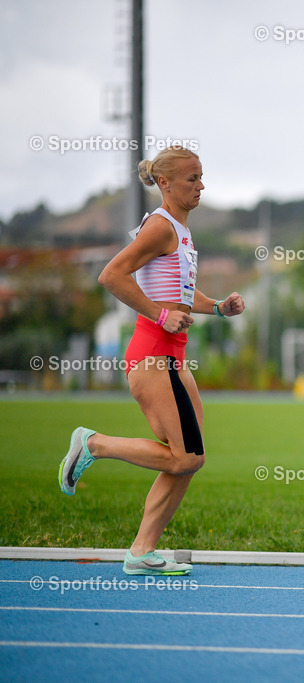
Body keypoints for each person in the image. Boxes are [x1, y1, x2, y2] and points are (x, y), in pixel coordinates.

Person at [58, 145, 244, 576]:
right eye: (191, 179)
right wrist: (160, 315)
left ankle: (142, 551)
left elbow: (179, 295)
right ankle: (93, 444)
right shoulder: (160, 227)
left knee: (188, 459)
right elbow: (111, 276)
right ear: (164, 183)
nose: (201, 186)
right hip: (153, 357)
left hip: (173, 358)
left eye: (201, 176)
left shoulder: (179, 230)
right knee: (186, 458)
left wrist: (217, 308)